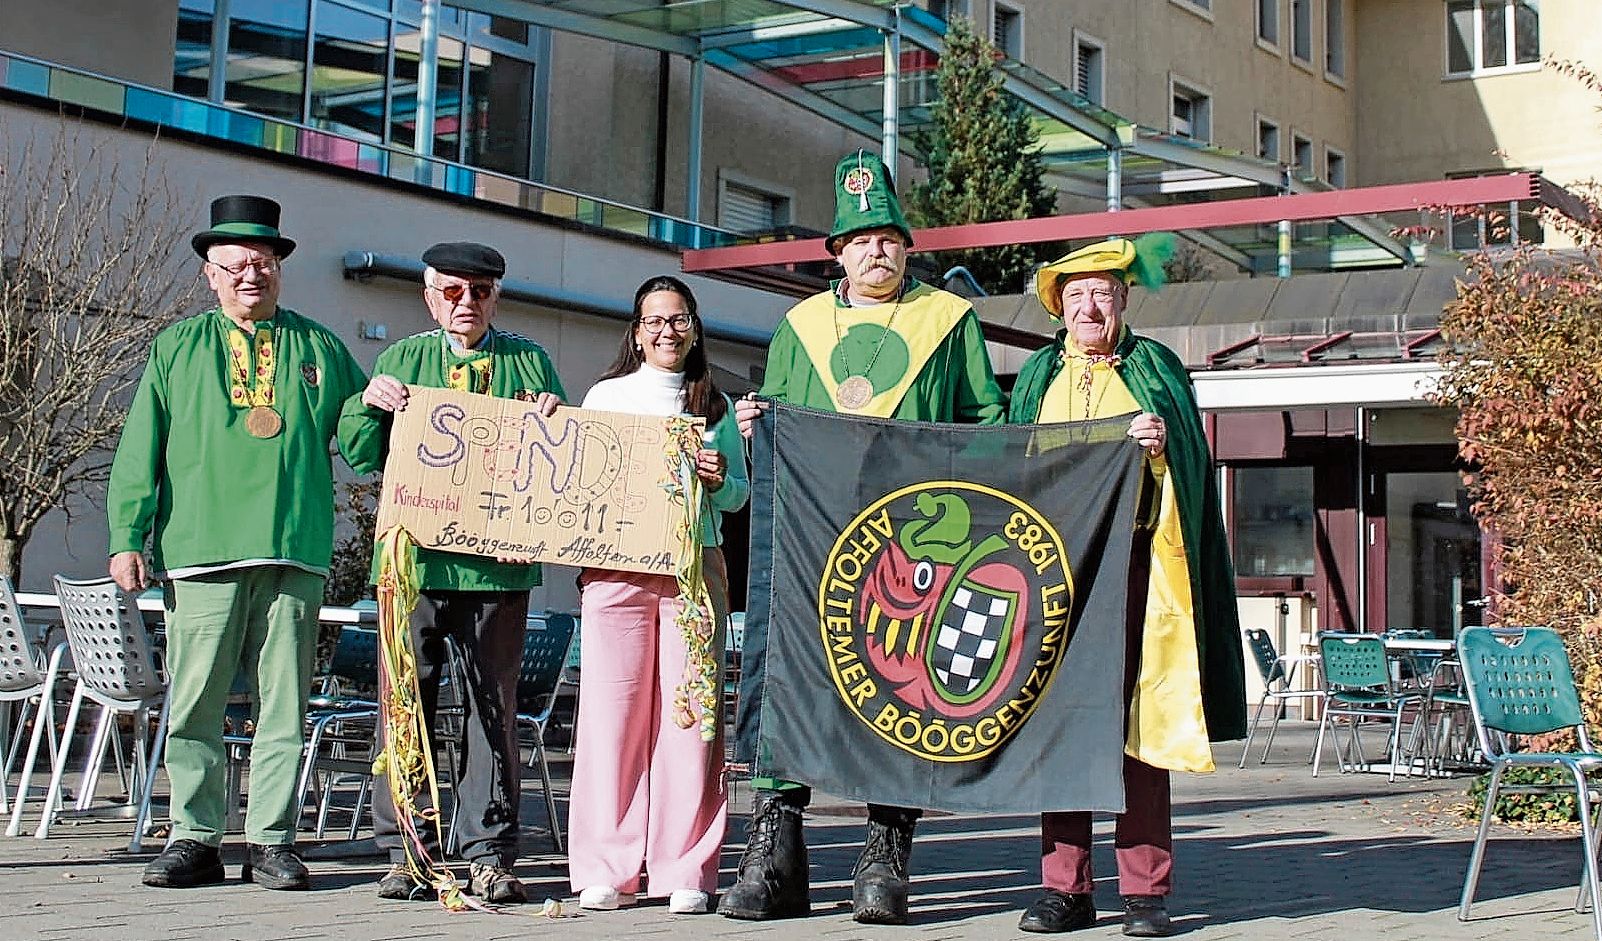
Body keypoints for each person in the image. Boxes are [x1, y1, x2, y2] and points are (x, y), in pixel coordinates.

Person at [725, 150, 1006, 926]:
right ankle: (774, 851)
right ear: (838, 253)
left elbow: (984, 425)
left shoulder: (948, 323)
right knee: (792, 676)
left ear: (907, 248)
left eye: (888, 236)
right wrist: (750, 426)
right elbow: (766, 427)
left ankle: (886, 853)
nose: (875, 249)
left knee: (901, 682)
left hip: (913, 544)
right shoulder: (799, 326)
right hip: (811, 541)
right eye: (860, 239)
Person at [108, 195, 367, 891]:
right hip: (201, 552)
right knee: (195, 699)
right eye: (237, 265)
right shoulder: (177, 347)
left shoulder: (319, 347)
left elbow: (365, 441)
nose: (252, 275)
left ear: (280, 267)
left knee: (284, 703)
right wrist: (127, 534)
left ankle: (271, 840)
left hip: (292, 549)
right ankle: (195, 833)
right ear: (209, 275)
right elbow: (141, 450)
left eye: (264, 262)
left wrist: (396, 404)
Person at [1005, 237, 1247, 937]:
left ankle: (1145, 892)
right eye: (1076, 294)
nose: (1089, 306)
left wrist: (1164, 445)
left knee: (1142, 724)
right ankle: (1065, 887)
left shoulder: (1155, 368)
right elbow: (1008, 465)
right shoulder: (1035, 377)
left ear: (1123, 302)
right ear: (1058, 304)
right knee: (1060, 725)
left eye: (1102, 294)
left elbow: (1194, 466)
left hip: (1141, 564)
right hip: (1054, 573)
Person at [337, 241, 564, 904]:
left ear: (497, 294)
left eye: (481, 291)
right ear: (429, 294)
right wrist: (369, 403)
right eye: (452, 291)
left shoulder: (529, 359)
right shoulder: (402, 358)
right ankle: (408, 846)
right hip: (414, 562)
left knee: (489, 707)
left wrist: (556, 418)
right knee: (407, 699)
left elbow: (562, 462)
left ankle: (489, 851)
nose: (466, 303)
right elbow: (359, 452)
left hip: (497, 569)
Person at [567, 275, 749, 916]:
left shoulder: (714, 405)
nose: (667, 331)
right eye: (654, 321)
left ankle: (685, 867)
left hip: (693, 574)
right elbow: (577, 481)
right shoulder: (606, 396)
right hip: (615, 573)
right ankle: (607, 867)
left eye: (678, 319)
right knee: (611, 720)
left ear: (694, 327)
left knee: (692, 722)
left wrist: (721, 475)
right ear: (637, 331)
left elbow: (735, 500)